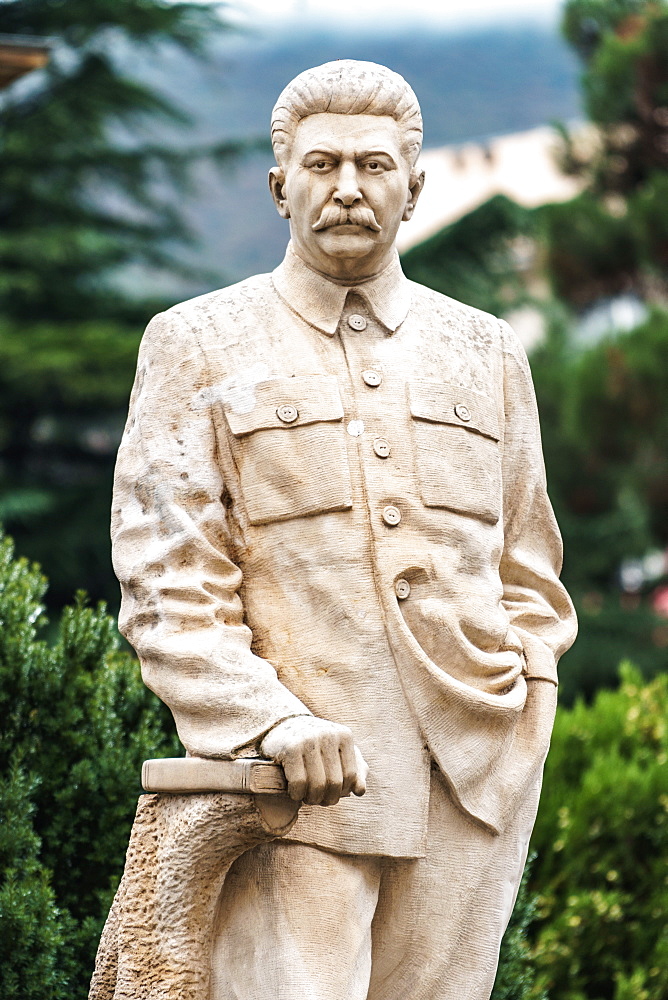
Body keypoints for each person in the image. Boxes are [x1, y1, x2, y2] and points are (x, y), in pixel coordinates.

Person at [111, 60, 577, 1000]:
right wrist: (268, 722)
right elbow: (169, 583)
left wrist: (531, 699)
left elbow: (530, 569)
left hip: (476, 785)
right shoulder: (196, 342)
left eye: (374, 165)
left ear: (414, 184)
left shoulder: (487, 350)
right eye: (321, 165)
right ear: (280, 185)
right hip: (294, 790)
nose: (349, 189)